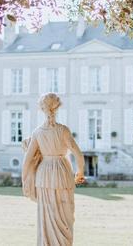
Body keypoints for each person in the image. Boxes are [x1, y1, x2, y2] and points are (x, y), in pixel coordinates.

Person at [22, 92, 85, 246]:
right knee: (65, 215)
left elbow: (27, 161)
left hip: (44, 176)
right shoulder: (63, 130)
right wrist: (80, 173)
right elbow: (78, 154)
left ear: (43, 109)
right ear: (57, 108)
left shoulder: (37, 133)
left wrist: (25, 180)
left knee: (47, 215)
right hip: (63, 172)